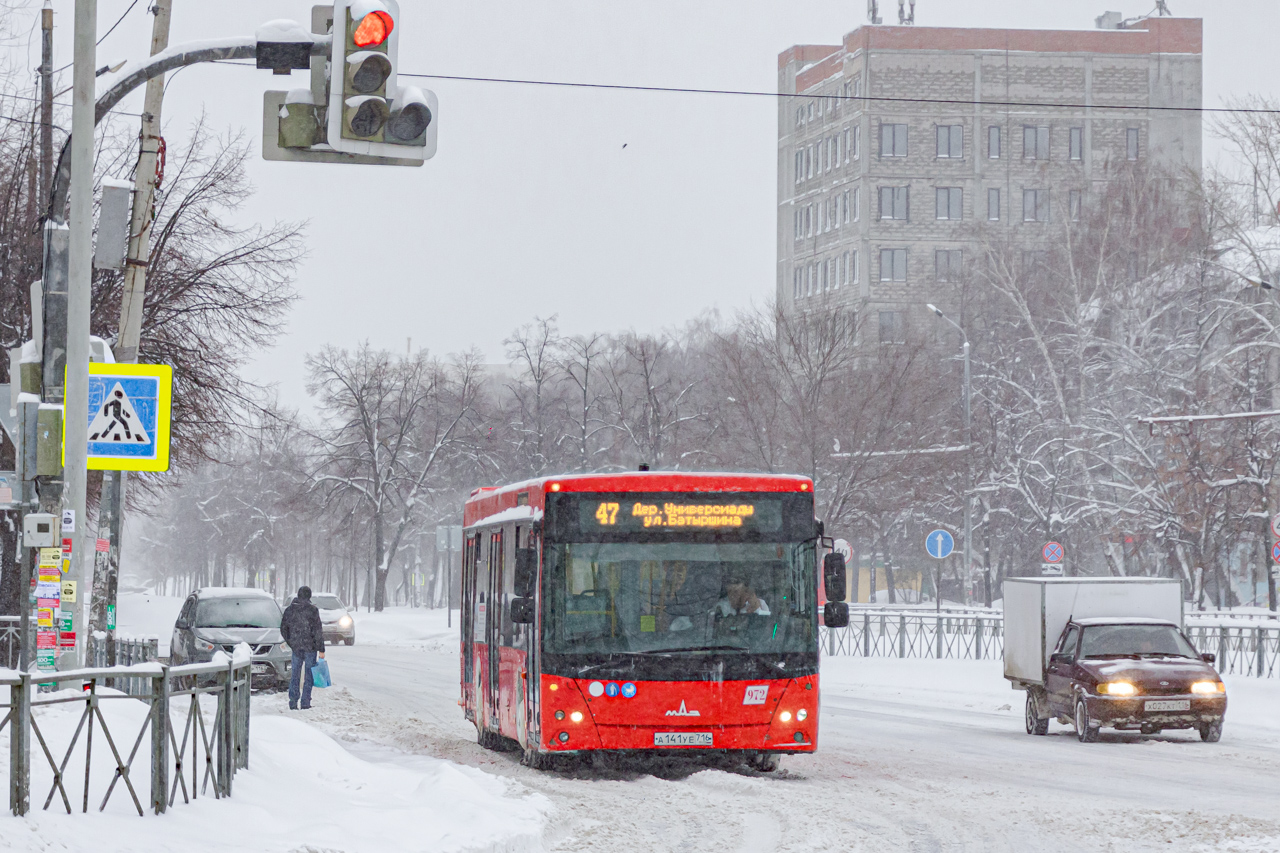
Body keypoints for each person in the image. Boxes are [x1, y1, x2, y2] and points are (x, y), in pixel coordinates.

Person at [280, 586, 325, 710]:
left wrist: (292, 642)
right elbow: (318, 631)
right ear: (309, 596)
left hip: (296, 647)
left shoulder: (290, 610)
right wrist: (321, 648)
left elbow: (283, 628)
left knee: (295, 674)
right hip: (310, 647)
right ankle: (305, 701)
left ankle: (293, 701)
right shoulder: (312, 610)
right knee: (309, 675)